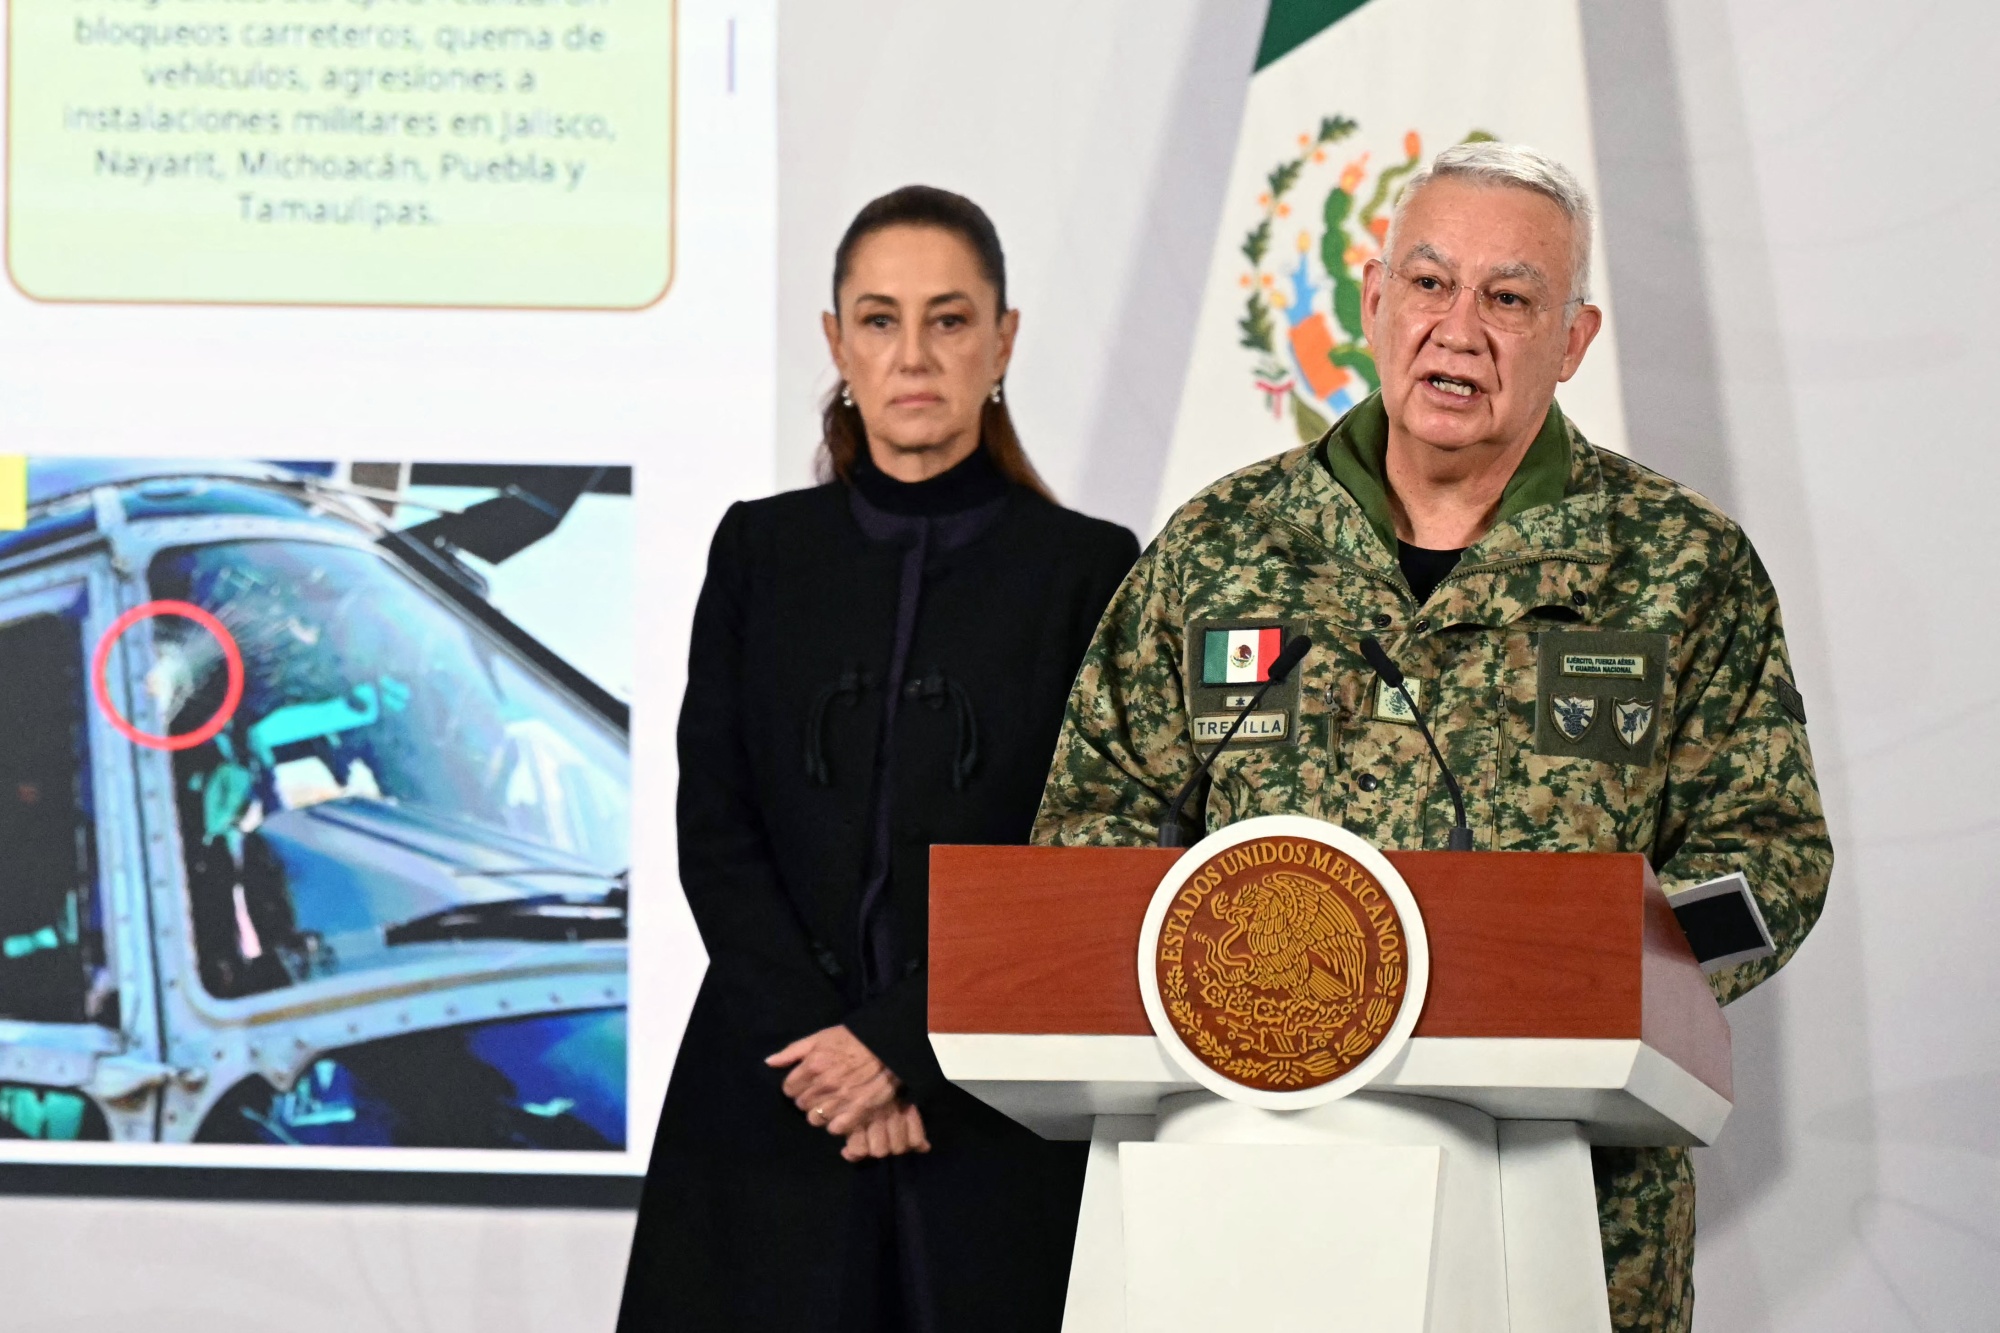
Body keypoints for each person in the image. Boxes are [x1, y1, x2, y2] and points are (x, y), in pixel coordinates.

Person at [1031, 141, 1831, 1333]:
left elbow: (1769, 855)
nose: (1457, 330)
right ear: (1371, 300)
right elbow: (1088, 825)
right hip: (1249, 1191)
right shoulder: (1221, 545)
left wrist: (1622, 965)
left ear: (1572, 339)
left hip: (1566, 1201)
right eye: (1427, 282)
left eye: (1508, 298)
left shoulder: (1675, 563)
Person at [620, 185, 1140, 1332]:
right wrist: (829, 1055)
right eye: (878, 319)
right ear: (835, 340)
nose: (913, 355)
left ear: (1003, 340)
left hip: (988, 1101)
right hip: (776, 1086)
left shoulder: (1087, 570)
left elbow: (1082, 855)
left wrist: (900, 1044)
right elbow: (716, 825)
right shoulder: (758, 551)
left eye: (948, 320)